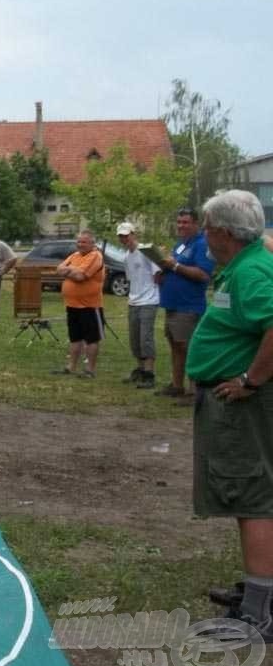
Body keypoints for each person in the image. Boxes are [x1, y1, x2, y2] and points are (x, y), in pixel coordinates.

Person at [185, 190, 273, 640]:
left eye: (206, 227)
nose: (204, 235)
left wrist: (250, 380)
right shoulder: (247, 263)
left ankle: (261, 613)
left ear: (222, 231)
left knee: (253, 495)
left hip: (244, 403)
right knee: (248, 494)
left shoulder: (253, 270)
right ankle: (261, 593)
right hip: (233, 399)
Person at [156, 207, 214, 404]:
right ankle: (177, 385)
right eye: (179, 222)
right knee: (175, 346)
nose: (180, 226)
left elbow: (203, 275)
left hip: (188, 306)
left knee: (189, 348)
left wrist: (175, 266)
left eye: (185, 222)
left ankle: (193, 391)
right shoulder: (180, 245)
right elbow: (175, 268)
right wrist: (163, 272)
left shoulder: (201, 244)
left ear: (196, 224)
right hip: (172, 304)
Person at [51, 231, 105, 378]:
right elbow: (58, 269)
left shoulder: (95, 256)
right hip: (72, 304)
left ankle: (90, 370)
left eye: (84, 242)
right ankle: (71, 367)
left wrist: (67, 271)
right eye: (79, 242)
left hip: (89, 305)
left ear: (92, 244)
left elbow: (81, 277)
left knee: (91, 339)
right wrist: (72, 271)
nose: (80, 244)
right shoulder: (74, 256)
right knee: (74, 337)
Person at [117, 222, 161, 388]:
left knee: (145, 337)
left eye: (126, 235)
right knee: (134, 338)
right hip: (134, 300)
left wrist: (154, 290)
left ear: (134, 234)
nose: (124, 239)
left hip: (149, 300)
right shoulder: (127, 256)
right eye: (121, 236)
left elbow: (158, 272)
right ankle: (140, 369)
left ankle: (149, 374)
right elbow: (131, 278)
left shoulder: (146, 251)